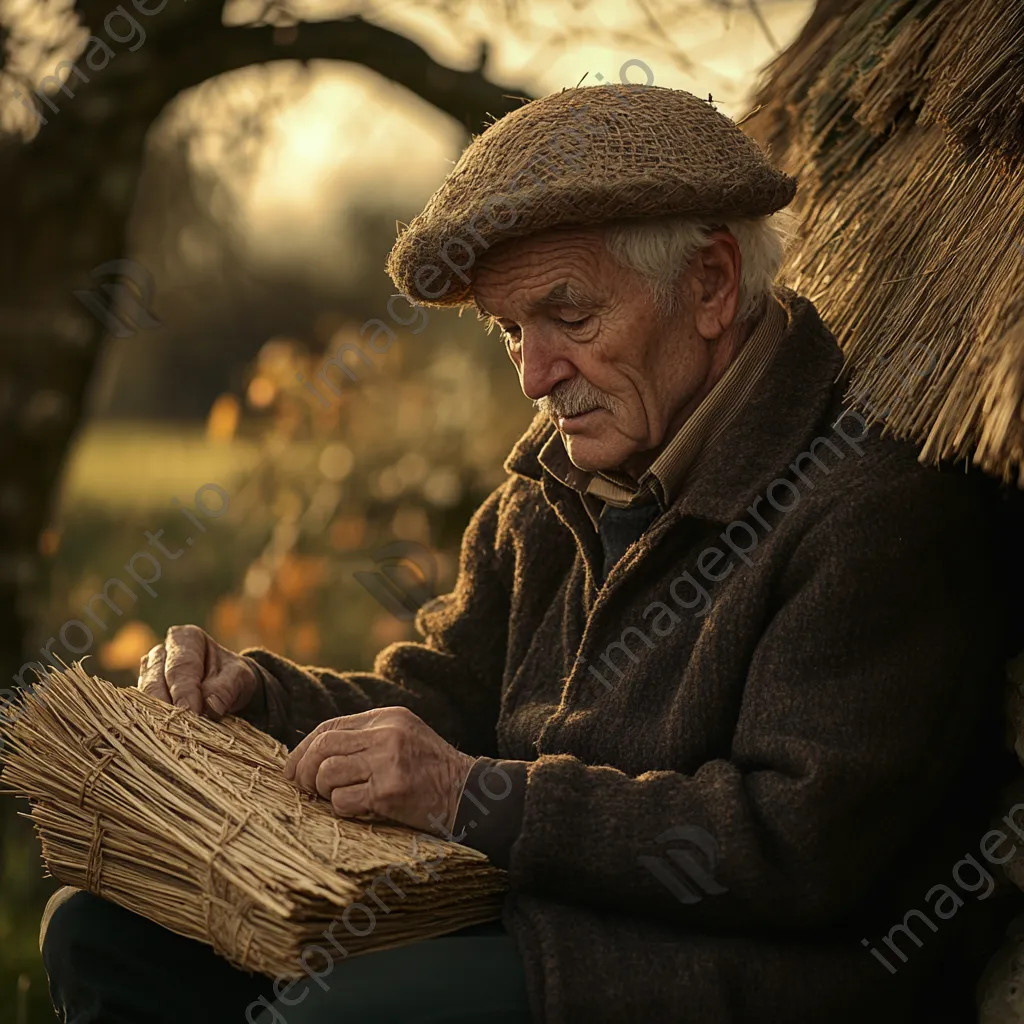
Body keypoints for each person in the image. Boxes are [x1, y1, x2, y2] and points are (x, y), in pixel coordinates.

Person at [41, 83, 1018, 1023]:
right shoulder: (549, 488)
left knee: (335, 1012)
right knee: (101, 933)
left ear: (711, 284)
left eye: (571, 318)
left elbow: (791, 847)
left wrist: (477, 795)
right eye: (511, 332)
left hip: (744, 973)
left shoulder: (873, 502)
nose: (535, 375)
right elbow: (443, 697)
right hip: (537, 911)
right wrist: (259, 695)